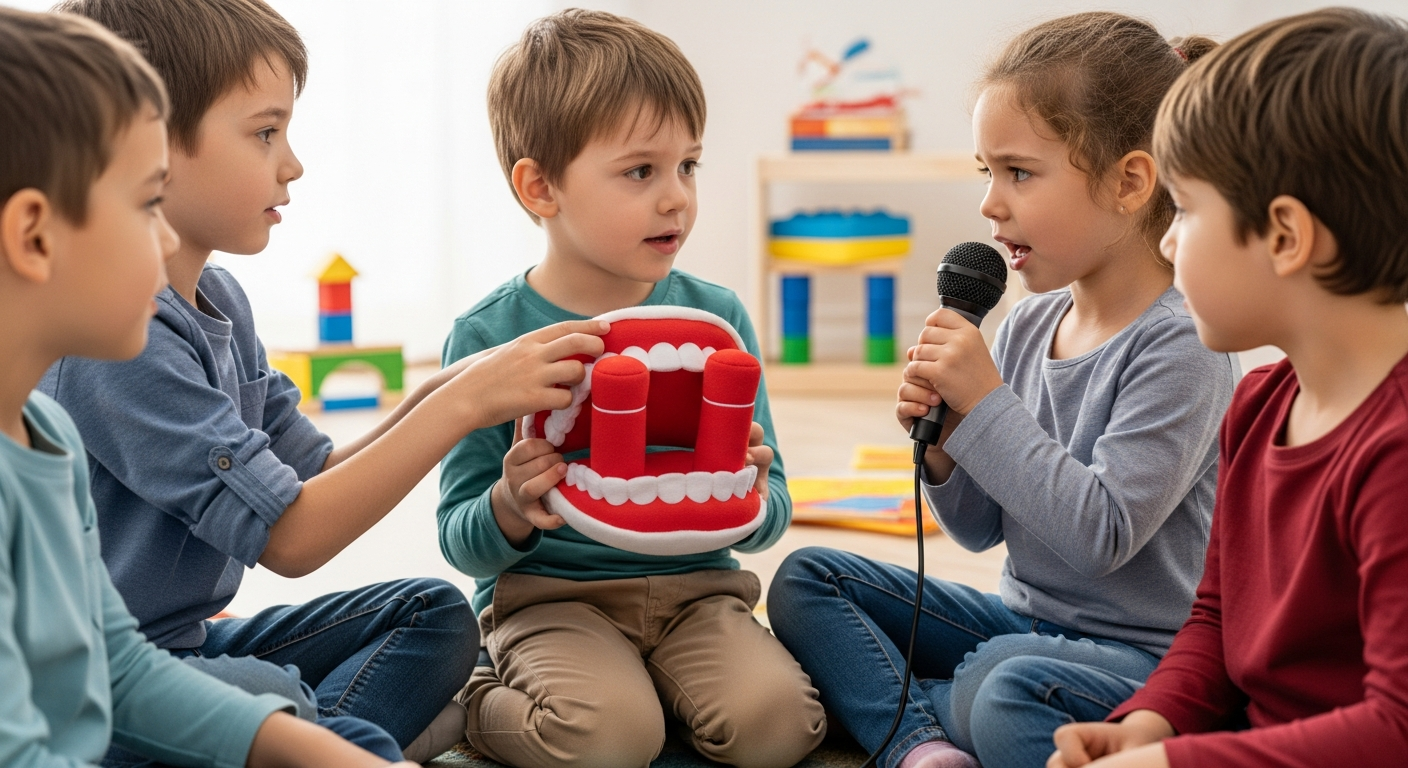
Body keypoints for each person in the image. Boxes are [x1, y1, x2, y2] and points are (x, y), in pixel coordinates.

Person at [41, 0, 606, 763]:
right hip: (111, 685)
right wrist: (466, 402)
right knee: (295, 709)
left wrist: (462, 383)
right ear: (152, 145)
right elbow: (293, 538)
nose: (292, 162)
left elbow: (315, 475)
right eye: (265, 131)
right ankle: (324, 735)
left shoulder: (223, 300)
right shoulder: (121, 335)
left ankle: (310, 733)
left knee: (432, 613)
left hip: (186, 641)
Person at [768, 13, 1239, 768]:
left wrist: (987, 408)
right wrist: (947, 451)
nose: (990, 203)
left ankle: (911, 711)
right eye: (986, 172)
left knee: (1002, 684)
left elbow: (1099, 538)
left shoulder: (1181, 344)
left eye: (1019, 172)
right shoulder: (1024, 325)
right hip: (1021, 621)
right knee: (807, 580)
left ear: (1129, 182)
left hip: (1137, 661)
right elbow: (981, 531)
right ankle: (924, 746)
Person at [0, 7, 419, 766]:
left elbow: (116, 671)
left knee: (358, 711)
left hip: (156, 668)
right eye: (143, 204)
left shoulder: (45, 439)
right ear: (34, 235)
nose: (164, 241)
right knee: (304, 713)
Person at [436, 9, 826, 768]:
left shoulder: (717, 319)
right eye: (640, 171)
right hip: (552, 603)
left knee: (780, 727)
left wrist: (753, 489)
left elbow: (771, 515)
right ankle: (473, 704)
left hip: (699, 598)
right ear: (540, 186)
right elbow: (460, 536)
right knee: (610, 740)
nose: (676, 196)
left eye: (689, 166)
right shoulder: (489, 335)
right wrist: (511, 507)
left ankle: (653, 695)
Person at [1048, 9, 1408, 768]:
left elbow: (1396, 729)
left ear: (1284, 235)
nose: (1169, 240)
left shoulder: (1396, 450)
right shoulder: (1260, 404)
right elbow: (1215, 618)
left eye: (1182, 209)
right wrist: (1152, 723)